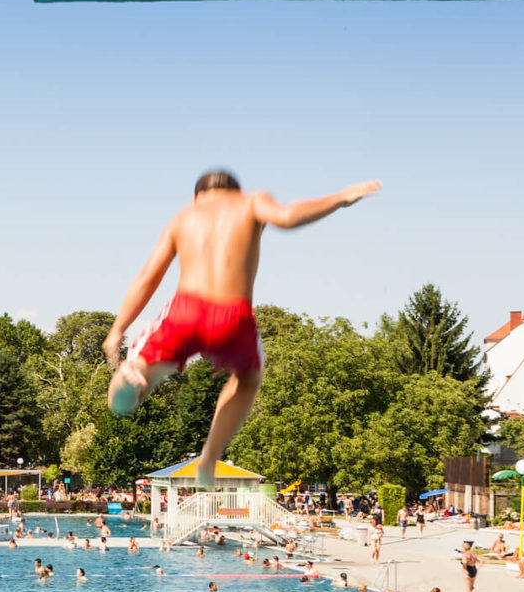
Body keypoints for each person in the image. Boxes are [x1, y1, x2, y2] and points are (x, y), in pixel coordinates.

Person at [101, 170, 380, 485]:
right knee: (248, 378)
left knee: (133, 387)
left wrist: (118, 328)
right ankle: (210, 455)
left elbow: (147, 277)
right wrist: (340, 198)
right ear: (236, 191)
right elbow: (288, 216)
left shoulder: (184, 218)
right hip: (234, 317)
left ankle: (130, 377)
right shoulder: (250, 202)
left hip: (186, 310)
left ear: (197, 197)